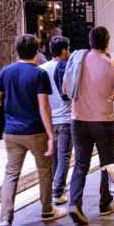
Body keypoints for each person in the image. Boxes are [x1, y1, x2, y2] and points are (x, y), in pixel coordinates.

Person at [0, 34, 65, 226]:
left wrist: (10, 106)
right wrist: (51, 134)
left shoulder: (6, 71)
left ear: (17, 51)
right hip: (35, 131)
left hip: (11, 133)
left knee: (11, 174)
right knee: (44, 170)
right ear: (37, 51)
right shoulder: (39, 74)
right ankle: (47, 210)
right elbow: (43, 106)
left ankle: (5, 221)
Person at [63, 26, 114, 226]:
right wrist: (111, 96)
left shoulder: (76, 62)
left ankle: (74, 203)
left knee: (81, 164)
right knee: (107, 165)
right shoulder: (112, 65)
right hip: (104, 122)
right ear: (107, 42)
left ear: (90, 41)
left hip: (78, 121)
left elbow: (66, 89)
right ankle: (104, 204)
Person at [40, 36, 72, 205]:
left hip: (48, 121)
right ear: (63, 50)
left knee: (54, 158)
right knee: (64, 157)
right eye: (68, 49)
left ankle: (56, 187)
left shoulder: (41, 69)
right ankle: (58, 192)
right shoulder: (67, 68)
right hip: (65, 119)